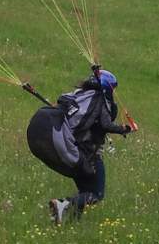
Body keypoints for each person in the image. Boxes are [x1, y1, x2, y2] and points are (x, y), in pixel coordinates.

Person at [26, 68, 134, 225]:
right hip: (89, 155)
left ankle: (72, 224)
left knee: (84, 193)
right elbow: (106, 124)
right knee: (96, 195)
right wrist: (125, 129)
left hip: (75, 150)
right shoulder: (100, 101)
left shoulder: (79, 96)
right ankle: (63, 204)